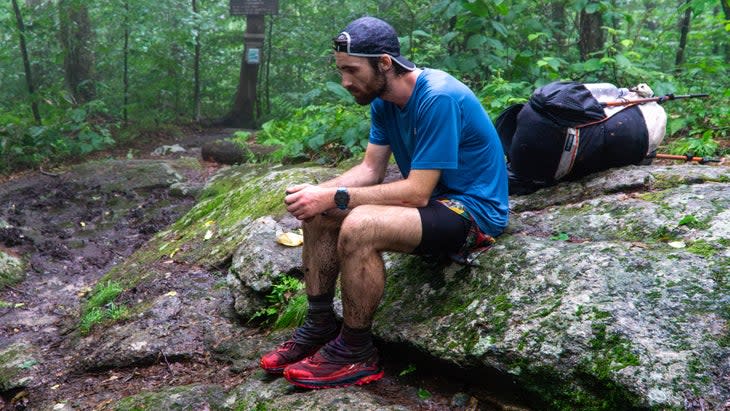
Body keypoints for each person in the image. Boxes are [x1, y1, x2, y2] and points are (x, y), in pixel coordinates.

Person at [259, 16, 509, 389]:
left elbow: (417, 191)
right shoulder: (384, 100)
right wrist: (316, 193)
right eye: (341, 70)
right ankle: (320, 324)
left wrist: (336, 196)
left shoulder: (437, 97)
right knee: (321, 211)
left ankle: (356, 353)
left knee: (361, 225)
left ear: (384, 63)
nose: (345, 82)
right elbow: (370, 169)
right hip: (433, 206)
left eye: (351, 70)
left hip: (472, 211)